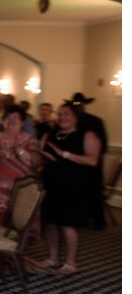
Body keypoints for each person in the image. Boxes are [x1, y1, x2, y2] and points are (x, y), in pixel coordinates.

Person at [34, 103, 101, 275]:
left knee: (67, 223)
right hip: (52, 184)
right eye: (60, 114)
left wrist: (65, 154)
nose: (62, 117)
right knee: (51, 222)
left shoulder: (86, 134)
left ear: (76, 117)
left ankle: (71, 262)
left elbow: (92, 160)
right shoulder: (51, 135)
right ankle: (53, 257)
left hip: (74, 185)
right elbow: (43, 160)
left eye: (67, 114)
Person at [0, 105, 39, 225]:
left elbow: (34, 162)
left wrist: (19, 149)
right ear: (3, 121)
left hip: (20, 186)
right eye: (8, 117)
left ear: (22, 122)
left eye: (15, 118)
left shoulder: (30, 139)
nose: (11, 120)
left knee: (17, 221)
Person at [66, 92, 108, 229]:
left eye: (80, 104)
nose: (78, 107)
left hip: (89, 165)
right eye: (76, 104)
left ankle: (95, 221)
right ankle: (85, 219)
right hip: (78, 165)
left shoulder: (94, 121)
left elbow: (103, 145)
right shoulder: (74, 122)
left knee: (93, 191)